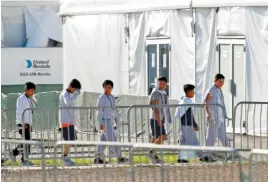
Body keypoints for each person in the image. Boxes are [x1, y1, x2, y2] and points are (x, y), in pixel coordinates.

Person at [94, 80, 128, 164]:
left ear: (111, 88)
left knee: (103, 140)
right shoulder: (101, 97)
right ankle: (119, 157)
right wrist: (101, 123)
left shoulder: (112, 97)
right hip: (105, 120)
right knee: (113, 139)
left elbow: (114, 110)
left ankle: (97, 158)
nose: (107, 89)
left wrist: (116, 120)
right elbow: (99, 111)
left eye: (109, 87)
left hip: (110, 120)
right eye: (106, 87)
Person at [203, 73, 230, 162]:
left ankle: (230, 152)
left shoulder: (219, 90)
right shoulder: (212, 90)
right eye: (220, 81)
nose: (221, 83)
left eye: (223, 82)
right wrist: (208, 113)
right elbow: (207, 102)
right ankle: (207, 154)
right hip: (214, 117)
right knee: (211, 136)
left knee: (223, 136)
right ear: (215, 81)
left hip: (220, 117)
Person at [10, 82, 36, 166]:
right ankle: (23, 160)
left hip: (27, 123)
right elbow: (20, 112)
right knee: (26, 141)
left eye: (33, 91)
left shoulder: (29, 98)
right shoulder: (21, 99)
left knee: (26, 142)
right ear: (26, 90)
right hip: (22, 124)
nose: (33, 92)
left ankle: (14, 154)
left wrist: (29, 124)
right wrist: (23, 123)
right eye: (31, 90)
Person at [175, 84, 203, 163]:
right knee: (193, 142)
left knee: (183, 141)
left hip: (183, 125)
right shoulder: (187, 102)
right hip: (188, 125)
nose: (194, 93)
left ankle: (181, 158)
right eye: (193, 91)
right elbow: (189, 115)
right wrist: (195, 125)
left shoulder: (183, 101)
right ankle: (201, 156)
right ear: (189, 92)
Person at [149, 76, 172, 163]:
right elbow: (153, 106)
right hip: (155, 118)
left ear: (166, 85)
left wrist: (164, 118)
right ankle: (152, 152)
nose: (162, 85)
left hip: (160, 118)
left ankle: (154, 158)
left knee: (155, 137)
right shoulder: (155, 92)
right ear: (157, 83)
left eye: (163, 84)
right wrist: (158, 119)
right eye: (160, 83)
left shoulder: (164, 93)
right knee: (163, 136)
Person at [59, 79, 81, 166]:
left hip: (69, 121)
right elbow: (68, 102)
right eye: (75, 90)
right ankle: (64, 157)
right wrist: (76, 94)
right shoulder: (65, 93)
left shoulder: (68, 94)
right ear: (72, 87)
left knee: (70, 141)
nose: (75, 92)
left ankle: (65, 157)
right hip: (66, 121)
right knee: (69, 141)